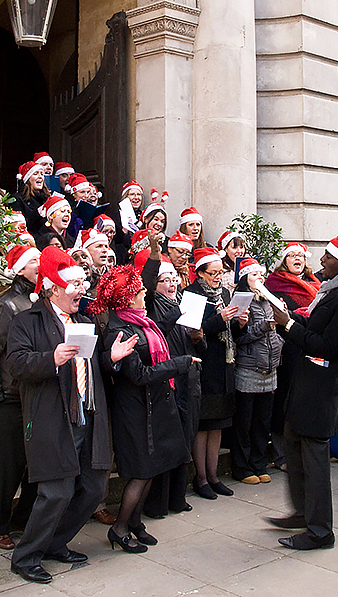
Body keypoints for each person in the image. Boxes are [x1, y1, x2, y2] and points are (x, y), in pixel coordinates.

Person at [7, 246, 137, 584]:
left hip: (88, 417)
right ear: (53, 287)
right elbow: (15, 365)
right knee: (56, 492)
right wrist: (52, 358)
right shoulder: (27, 321)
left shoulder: (84, 320)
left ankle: (55, 543)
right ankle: (26, 556)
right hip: (53, 419)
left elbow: (93, 366)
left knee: (94, 489)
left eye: (82, 283)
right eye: (75, 284)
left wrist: (112, 357)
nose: (82, 289)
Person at [268, 230, 338, 550]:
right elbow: (315, 324)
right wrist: (293, 318)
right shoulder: (333, 290)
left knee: (314, 462)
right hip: (305, 385)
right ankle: (301, 512)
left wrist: (288, 325)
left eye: (327, 255)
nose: (320, 260)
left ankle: (321, 530)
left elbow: (326, 346)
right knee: (294, 449)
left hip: (320, 390)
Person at [94, 265, 200, 553]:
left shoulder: (139, 321)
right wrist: (180, 364)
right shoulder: (119, 330)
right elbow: (139, 374)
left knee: (152, 468)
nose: (144, 293)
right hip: (135, 411)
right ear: (127, 298)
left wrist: (180, 313)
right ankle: (119, 528)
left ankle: (135, 523)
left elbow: (157, 338)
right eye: (139, 291)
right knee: (141, 471)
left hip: (152, 406)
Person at [0, 244, 41, 550]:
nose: (40, 265)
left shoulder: (39, 299)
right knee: (11, 464)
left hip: (34, 395)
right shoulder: (6, 306)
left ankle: (23, 516)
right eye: (34, 261)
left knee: (37, 460)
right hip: (10, 398)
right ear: (20, 269)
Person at [141, 232, 205, 518]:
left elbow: (196, 342)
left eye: (173, 279)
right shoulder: (153, 305)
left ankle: (178, 497)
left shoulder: (183, 300)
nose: (170, 284)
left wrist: (198, 337)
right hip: (168, 379)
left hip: (189, 377)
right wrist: (155, 253)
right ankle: (160, 503)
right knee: (170, 442)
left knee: (187, 437)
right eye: (164, 280)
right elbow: (161, 329)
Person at [183, 247, 247, 500]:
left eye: (221, 272)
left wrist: (240, 325)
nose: (218, 277)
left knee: (219, 423)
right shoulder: (191, 293)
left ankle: (213, 475)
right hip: (205, 364)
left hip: (225, 364)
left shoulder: (225, 292)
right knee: (204, 424)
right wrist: (220, 319)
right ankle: (200, 477)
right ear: (200, 273)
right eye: (213, 273)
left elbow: (232, 333)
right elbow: (192, 332)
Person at [265, 243, 320, 470]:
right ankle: (281, 454)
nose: (297, 259)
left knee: (305, 404)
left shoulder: (315, 284)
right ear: (284, 260)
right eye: (292, 256)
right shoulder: (276, 284)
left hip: (311, 350)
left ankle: (303, 452)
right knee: (284, 402)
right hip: (287, 350)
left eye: (300, 256)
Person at [231, 258, 282, 485]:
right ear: (245, 279)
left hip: (269, 369)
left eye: (261, 276)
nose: (259, 279)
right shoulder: (242, 302)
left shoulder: (267, 301)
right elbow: (239, 338)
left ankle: (259, 464)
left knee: (263, 421)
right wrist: (264, 327)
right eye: (254, 276)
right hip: (249, 368)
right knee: (245, 422)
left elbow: (275, 331)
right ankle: (242, 467)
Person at [11, 161, 50, 236]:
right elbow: (21, 224)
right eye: (35, 174)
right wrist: (37, 213)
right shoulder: (17, 199)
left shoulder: (47, 198)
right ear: (27, 179)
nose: (40, 177)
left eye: (42, 174)